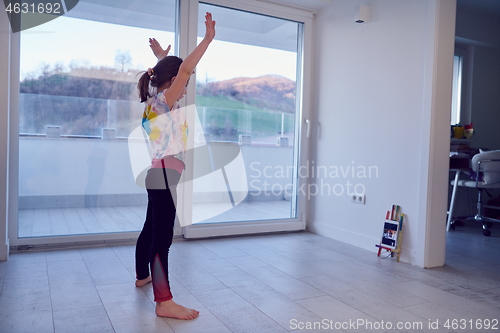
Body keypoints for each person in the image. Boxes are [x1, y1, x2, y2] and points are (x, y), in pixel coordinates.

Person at [134, 12, 216, 320]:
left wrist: (160, 59)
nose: (186, 85)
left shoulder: (156, 102)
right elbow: (184, 69)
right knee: (162, 238)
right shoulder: (165, 101)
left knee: (150, 229)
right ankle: (163, 301)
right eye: (184, 81)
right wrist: (206, 39)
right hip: (163, 177)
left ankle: (142, 275)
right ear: (171, 82)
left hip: (158, 175)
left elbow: (170, 75)